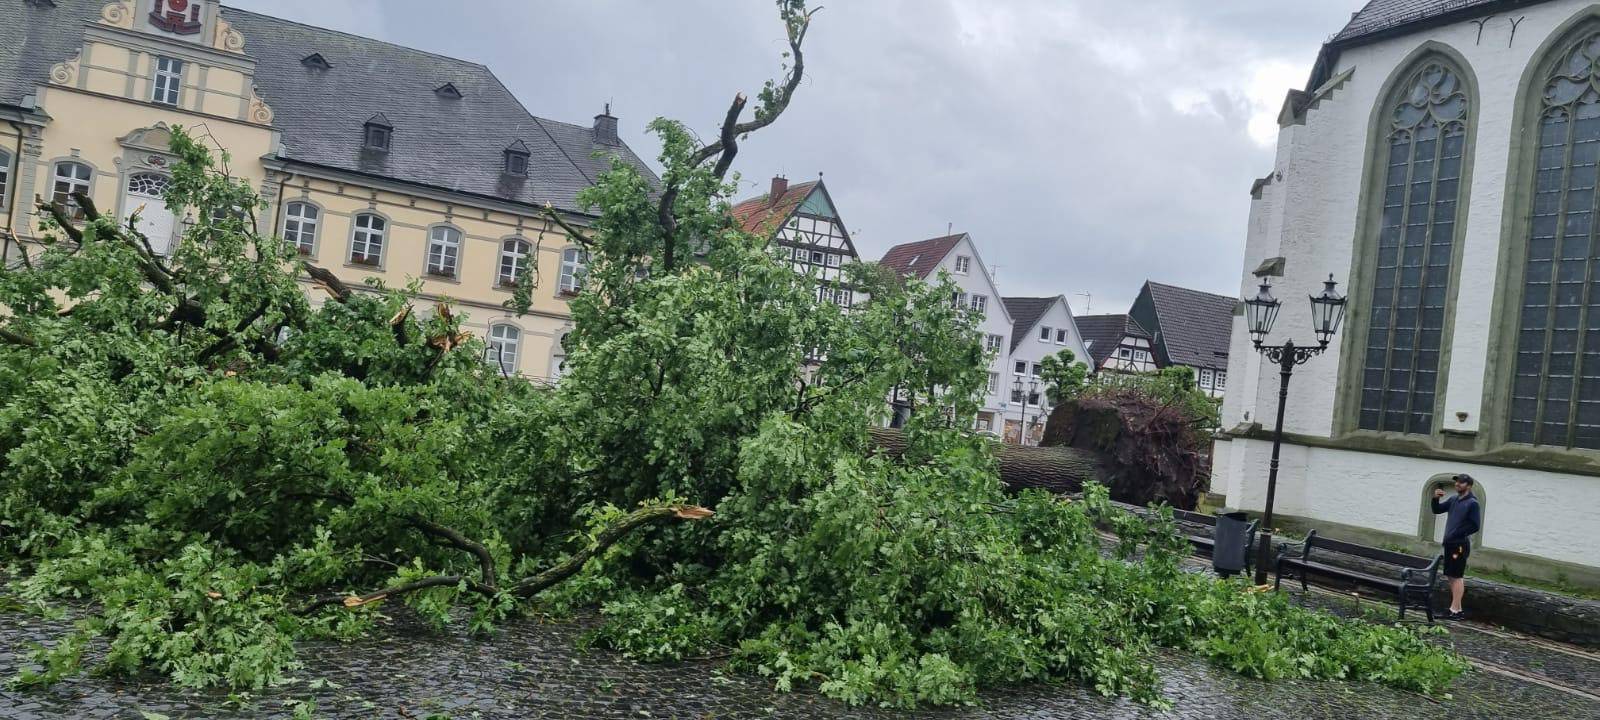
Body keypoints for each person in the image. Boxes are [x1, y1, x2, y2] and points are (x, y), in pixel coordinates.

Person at [1431, 474, 1482, 620]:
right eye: (1457, 482)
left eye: (1461, 482)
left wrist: (1456, 534)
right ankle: (1457, 610)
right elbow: (1437, 510)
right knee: (1450, 575)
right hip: (1449, 544)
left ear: (1469, 485)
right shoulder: (1454, 499)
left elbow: (1474, 525)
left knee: (1457, 576)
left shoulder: (1472, 503)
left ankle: (1454, 610)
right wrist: (1435, 498)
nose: (1458, 484)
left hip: (1459, 545)